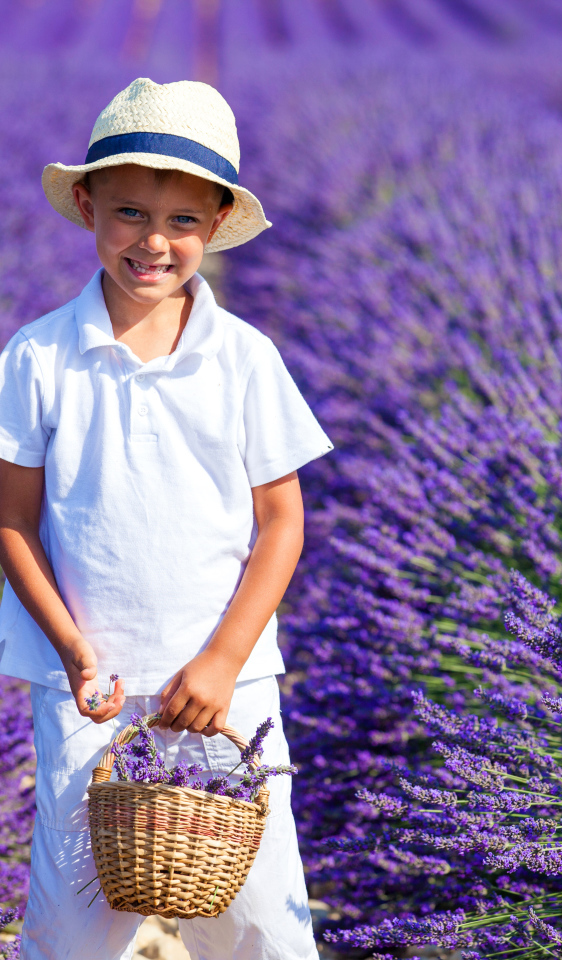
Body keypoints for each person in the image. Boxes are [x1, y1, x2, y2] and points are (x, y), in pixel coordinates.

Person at [0, 78, 332, 960]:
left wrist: (223, 662)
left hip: (227, 689)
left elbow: (283, 523)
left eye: (183, 221)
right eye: (130, 214)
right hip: (90, 688)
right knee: (70, 927)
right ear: (86, 205)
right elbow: (13, 522)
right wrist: (72, 648)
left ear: (217, 225)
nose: (154, 242)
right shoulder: (36, 356)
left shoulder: (244, 358)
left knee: (263, 924)